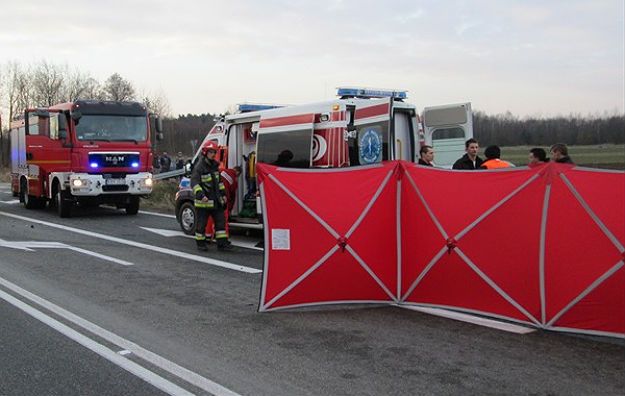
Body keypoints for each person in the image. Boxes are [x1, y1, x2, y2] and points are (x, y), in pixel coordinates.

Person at [191, 141, 232, 251]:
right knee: (201, 224)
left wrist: (223, 195)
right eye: (211, 152)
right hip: (203, 202)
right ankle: (201, 243)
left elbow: (219, 183)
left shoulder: (215, 166)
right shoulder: (199, 167)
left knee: (220, 222)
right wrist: (200, 195)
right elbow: (194, 183)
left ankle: (222, 244)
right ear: (205, 152)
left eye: (214, 152)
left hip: (216, 201)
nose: (213, 154)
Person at [205, 166, 242, 239]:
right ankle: (223, 238)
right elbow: (232, 197)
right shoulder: (234, 181)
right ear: (237, 172)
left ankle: (208, 236)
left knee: (211, 217)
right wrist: (229, 209)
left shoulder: (221, 170)